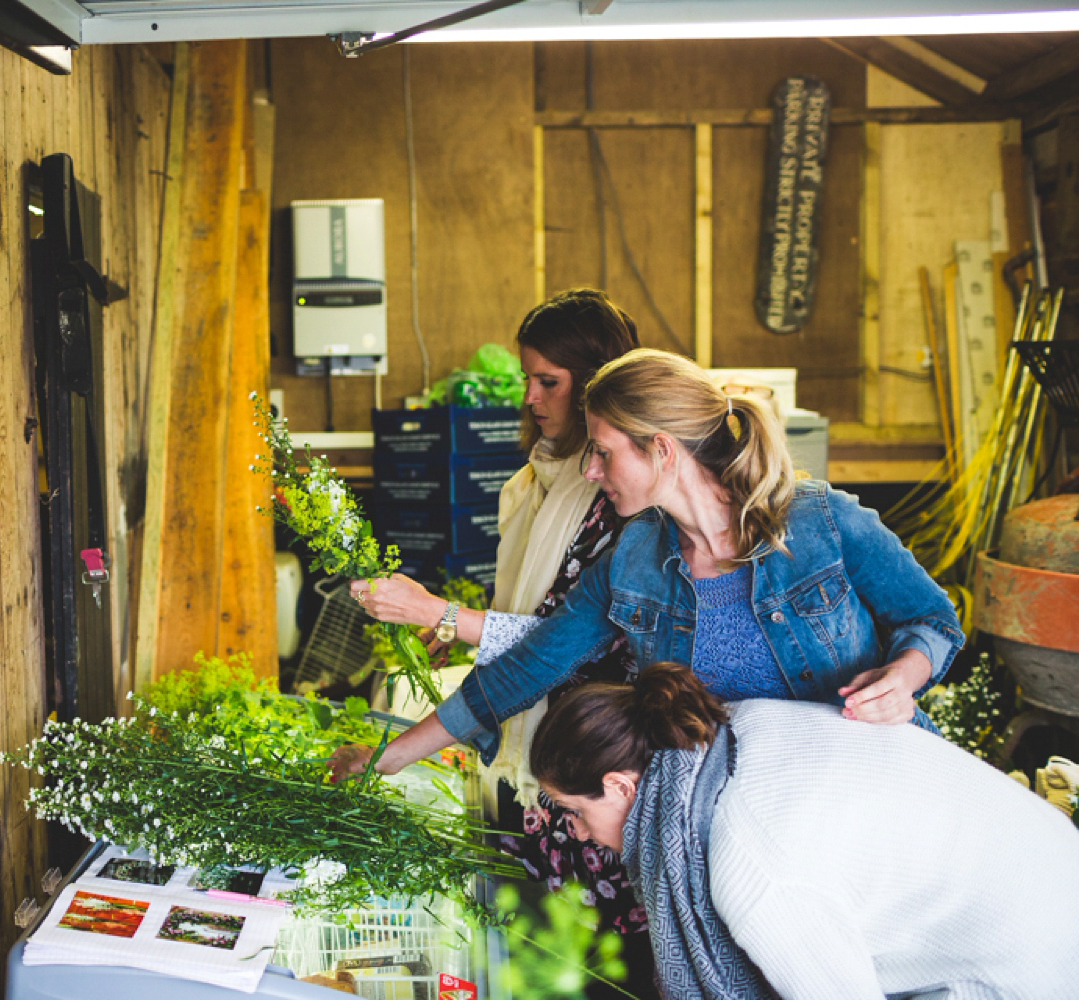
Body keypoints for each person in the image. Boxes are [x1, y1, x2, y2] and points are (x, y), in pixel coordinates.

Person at [339, 347, 963, 813]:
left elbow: (932, 622)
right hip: (753, 819)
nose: (589, 470)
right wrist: (388, 759)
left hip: (879, 792)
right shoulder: (634, 559)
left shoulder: (822, 521)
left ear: (662, 451)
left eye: (604, 452)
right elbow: (525, 669)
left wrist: (903, 677)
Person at [354, 289, 653, 979]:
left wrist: (442, 615)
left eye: (547, 381)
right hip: (542, 766)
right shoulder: (534, 482)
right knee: (550, 960)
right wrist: (460, 631)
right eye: (527, 379)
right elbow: (535, 615)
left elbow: (573, 644)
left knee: (605, 969)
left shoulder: (621, 502)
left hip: (595, 769)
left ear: (596, 384)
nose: (529, 397)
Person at [527, 662, 1079, 999]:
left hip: (1036, 968)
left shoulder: (752, 864)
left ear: (622, 786)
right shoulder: (734, 728)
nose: (574, 832)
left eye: (572, 810)